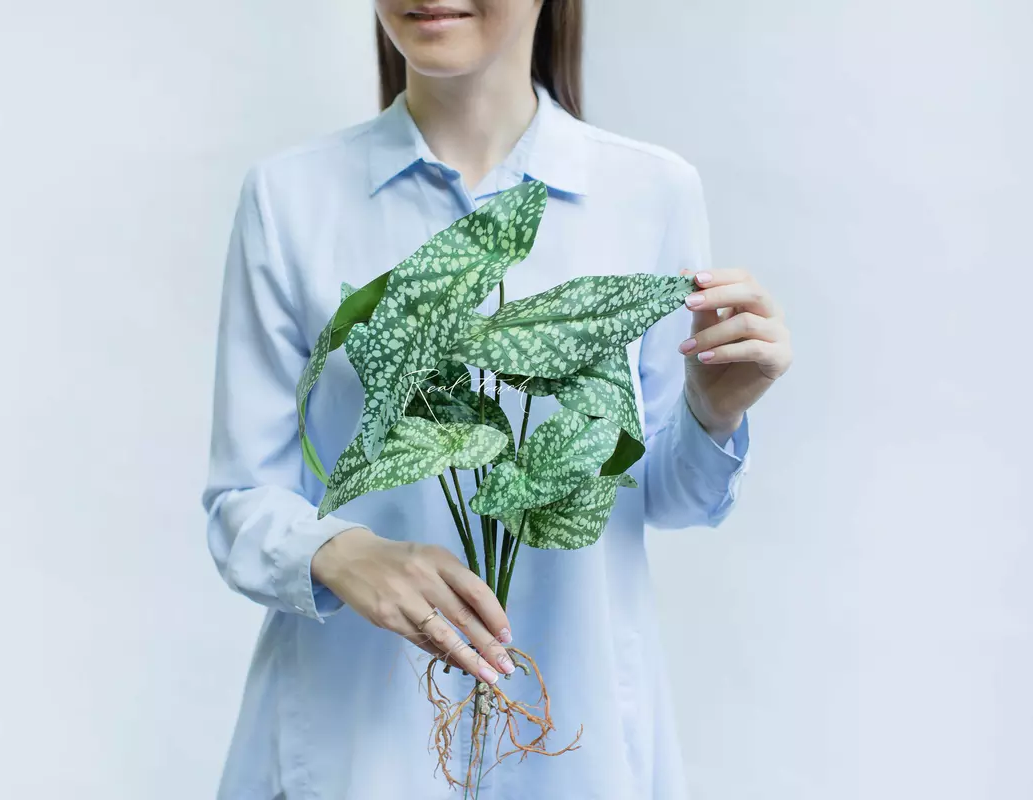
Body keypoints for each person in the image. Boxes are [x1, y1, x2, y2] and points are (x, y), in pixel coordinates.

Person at [202, 1, 793, 797]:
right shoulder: (290, 198)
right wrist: (342, 552)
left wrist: (715, 409)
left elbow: (662, 494)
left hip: (569, 739)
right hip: (354, 745)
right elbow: (240, 500)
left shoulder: (649, 192)